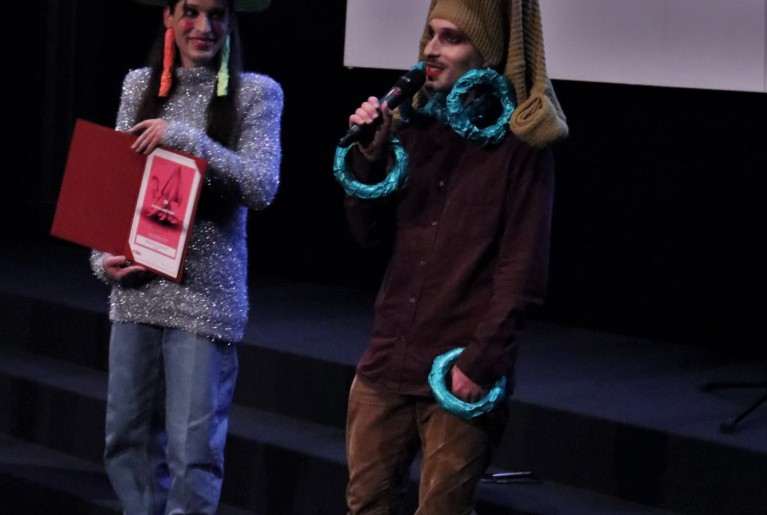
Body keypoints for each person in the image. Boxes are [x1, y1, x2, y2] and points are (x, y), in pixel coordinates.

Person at [334, 0, 568, 513]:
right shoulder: (411, 131)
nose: (432, 49)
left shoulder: (519, 149)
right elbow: (368, 238)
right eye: (431, 34)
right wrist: (371, 158)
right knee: (365, 504)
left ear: (486, 51)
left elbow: (523, 273)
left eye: (452, 38)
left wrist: (480, 363)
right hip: (388, 361)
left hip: (458, 369)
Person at [89, 0, 282, 513]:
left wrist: (187, 139)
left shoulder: (256, 93)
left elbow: (261, 187)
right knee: (125, 439)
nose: (204, 26)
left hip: (205, 299)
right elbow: (116, 183)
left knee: (193, 454)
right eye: (191, 12)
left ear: (231, 21)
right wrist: (101, 259)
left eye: (217, 14)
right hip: (137, 291)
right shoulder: (139, 86)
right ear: (168, 17)